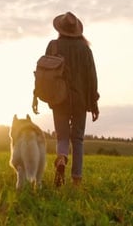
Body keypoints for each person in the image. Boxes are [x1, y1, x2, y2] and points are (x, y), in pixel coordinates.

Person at [32, 11, 100, 187]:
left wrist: (37, 95)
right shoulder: (85, 50)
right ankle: (76, 181)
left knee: (62, 136)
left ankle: (61, 158)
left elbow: (44, 74)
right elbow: (92, 78)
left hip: (58, 98)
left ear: (60, 29)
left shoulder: (53, 46)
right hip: (80, 100)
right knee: (77, 139)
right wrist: (94, 103)